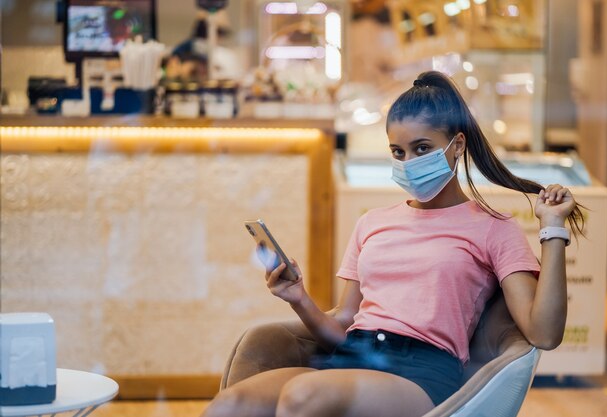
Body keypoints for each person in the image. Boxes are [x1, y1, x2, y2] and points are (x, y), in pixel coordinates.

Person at [202, 70, 585, 417]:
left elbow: (543, 333)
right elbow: (345, 323)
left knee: (304, 396)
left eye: (422, 148)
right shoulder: (372, 223)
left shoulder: (493, 228)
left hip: (423, 373)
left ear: (457, 145)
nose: (408, 162)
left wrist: (553, 230)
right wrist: (298, 297)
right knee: (231, 405)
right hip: (352, 358)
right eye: (398, 152)